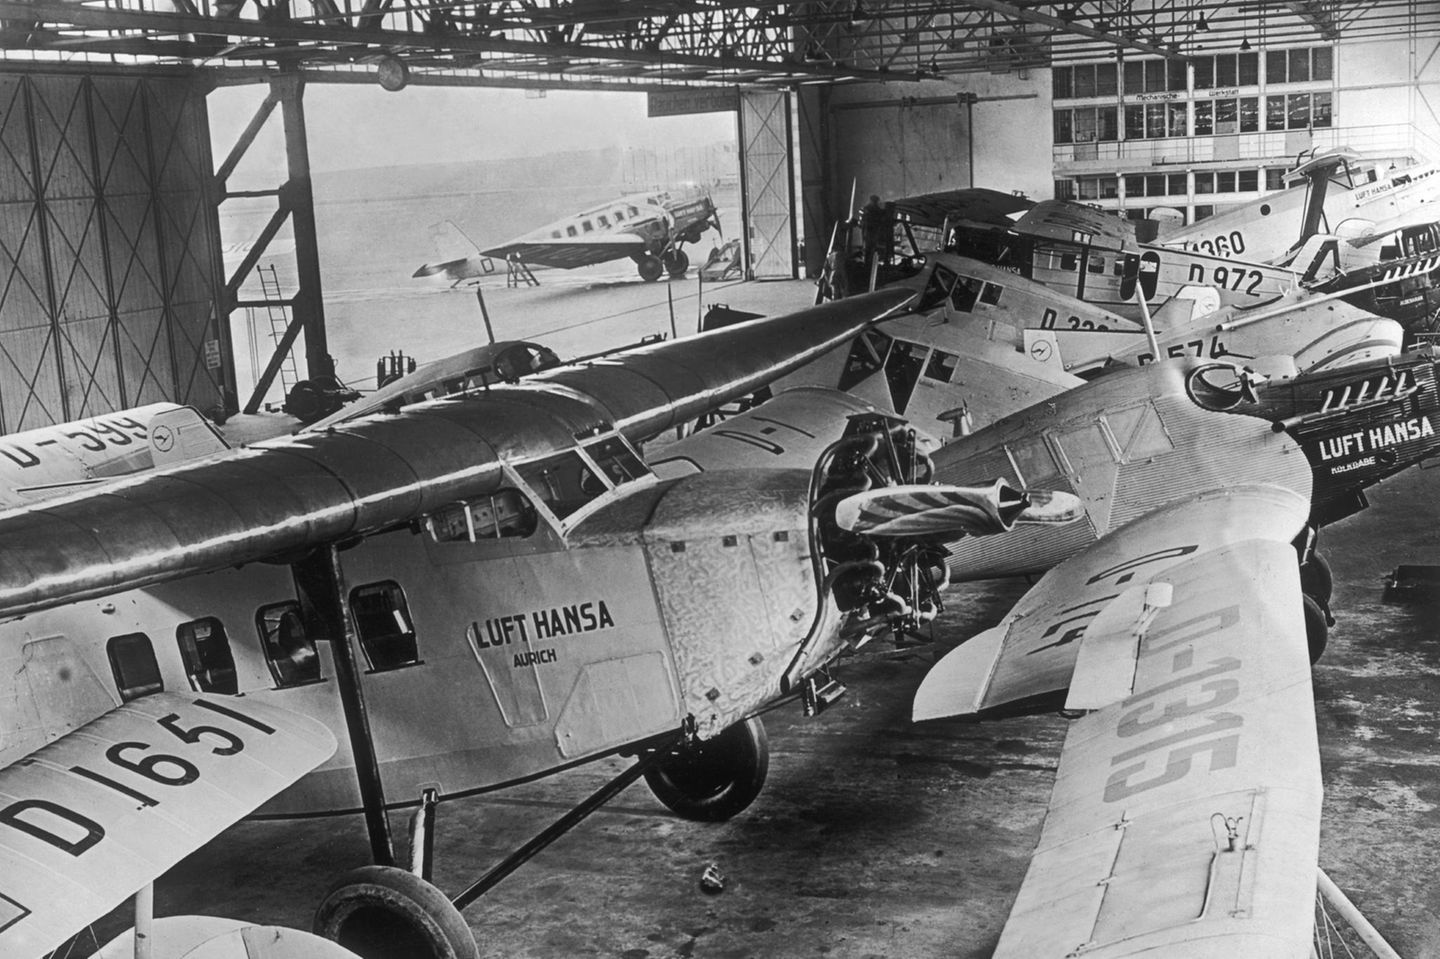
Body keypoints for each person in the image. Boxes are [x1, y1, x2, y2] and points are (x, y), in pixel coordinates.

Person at [859, 193, 887, 262]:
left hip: (870, 231)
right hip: (870, 230)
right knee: (870, 246)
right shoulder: (870, 209)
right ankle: (868, 260)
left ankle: (868, 260)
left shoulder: (867, 209)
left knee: (870, 246)